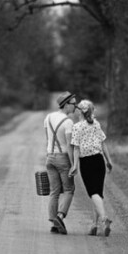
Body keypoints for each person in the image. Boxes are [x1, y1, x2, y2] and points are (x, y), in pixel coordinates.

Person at [69, 99, 113, 236]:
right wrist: (108, 160)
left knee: (93, 193)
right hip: (99, 161)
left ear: (79, 112)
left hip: (86, 162)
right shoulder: (96, 124)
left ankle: (104, 219)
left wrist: (74, 165)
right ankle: (94, 225)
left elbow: (76, 148)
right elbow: (103, 144)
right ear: (91, 111)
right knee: (98, 193)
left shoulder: (77, 127)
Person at [44, 91, 77, 235]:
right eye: (73, 104)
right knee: (69, 190)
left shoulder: (48, 117)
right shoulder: (68, 122)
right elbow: (70, 145)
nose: (75, 106)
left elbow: (47, 139)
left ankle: (54, 224)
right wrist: (74, 164)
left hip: (50, 157)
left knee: (54, 191)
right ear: (66, 105)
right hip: (63, 158)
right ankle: (60, 216)